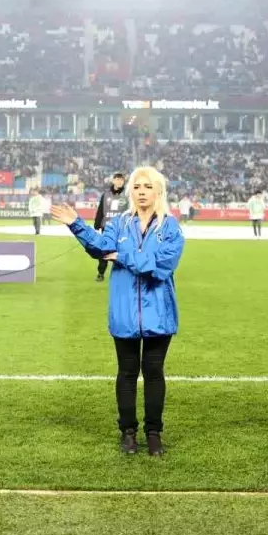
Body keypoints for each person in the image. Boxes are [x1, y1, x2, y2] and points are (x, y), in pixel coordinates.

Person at [51, 166, 186, 457]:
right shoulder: (120, 224)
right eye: (136, 187)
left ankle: (153, 433)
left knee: (153, 372)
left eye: (147, 187)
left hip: (158, 312)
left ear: (158, 191)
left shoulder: (171, 227)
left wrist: (122, 256)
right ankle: (128, 432)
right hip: (124, 312)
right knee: (126, 373)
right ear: (130, 192)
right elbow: (100, 247)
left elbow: (162, 265)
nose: (141, 192)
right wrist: (77, 224)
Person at [94, 172, 127, 282]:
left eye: (121, 180)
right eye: (117, 179)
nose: (119, 181)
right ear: (113, 181)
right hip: (107, 227)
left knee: (121, 251)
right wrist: (97, 224)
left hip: (121, 228)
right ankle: (100, 273)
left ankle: (121, 274)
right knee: (104, 251)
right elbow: (100, 210)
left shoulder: (127, 195)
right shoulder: (106, 194)